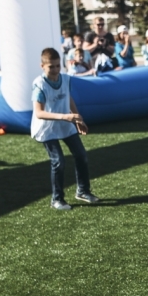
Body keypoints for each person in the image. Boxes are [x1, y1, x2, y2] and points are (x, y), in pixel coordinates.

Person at [31, 47, 99, 210]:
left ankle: (83, 191)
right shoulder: (39, 84)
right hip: (46, 128)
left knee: (81, 155)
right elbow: (39, 113)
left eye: (57, 66)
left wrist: (77, 119)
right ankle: (57, 199)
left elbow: (69, 99)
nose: (55, 70)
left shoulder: (66, 79)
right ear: (42, 66)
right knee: (58, 161)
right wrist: (65, 117)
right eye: (51, 67)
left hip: (65, 123)